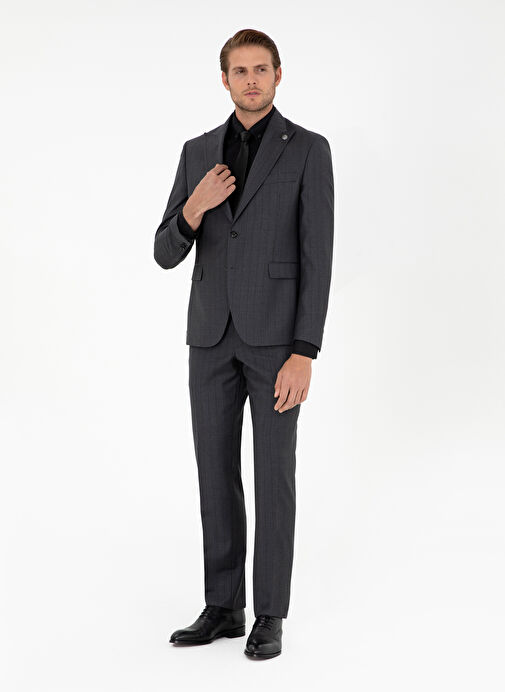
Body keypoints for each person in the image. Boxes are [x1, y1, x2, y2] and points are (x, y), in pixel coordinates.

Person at [153, 28, 334, 659]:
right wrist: (194, 207)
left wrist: (304, 351)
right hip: (209, 339)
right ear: (224, 79)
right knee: (215, 472)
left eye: (261, 69)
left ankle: (269, 613)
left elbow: (317, 258)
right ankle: (224, 606)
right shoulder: (196, 151)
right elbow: (164, 252)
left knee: (272, 475)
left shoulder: (308, 149)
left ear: (278, 76)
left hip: (277, 344)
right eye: (240, 70)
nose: (250, 80)